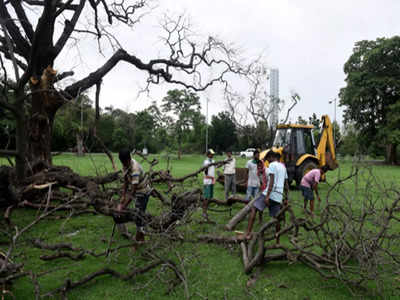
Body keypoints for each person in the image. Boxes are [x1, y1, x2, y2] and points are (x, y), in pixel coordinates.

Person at [244, 151, 289, 243]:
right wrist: (286, 198)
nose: (268, 160)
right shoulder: (283, 167)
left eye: (268, 158)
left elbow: (271, 181)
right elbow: (286, 185)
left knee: (254, 208)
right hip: (279, 196)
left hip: (270, 193)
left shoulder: (272, 165)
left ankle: (248, 233)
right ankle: (277, 241)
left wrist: (267, 196)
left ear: (272, 157)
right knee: (276, 218)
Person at [117, 149, 151, 242]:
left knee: (138, 216)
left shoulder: (135, 169)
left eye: (124, 162)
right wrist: (123, 196)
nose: (123, 164)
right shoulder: (125, 164)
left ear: (129, 159)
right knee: (138, 215)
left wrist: (123, 206)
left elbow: (133, 191)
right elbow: (125, 181)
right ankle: (141, 239)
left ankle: (137, 242)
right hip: (137, 191)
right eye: (122, 162)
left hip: (143, 192)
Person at [202, 149, 215, 219]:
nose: (212, 155)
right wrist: (212, 178)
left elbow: (215, 167)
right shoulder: (206, 162)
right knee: (206, 197)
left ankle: (206, 210)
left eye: (213, 154)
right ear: (208, 154)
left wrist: (224, 163)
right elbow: (205, 174)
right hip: (207, 181)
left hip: (211, 182)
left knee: (209, 197)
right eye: (211, 154)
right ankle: (204, 212)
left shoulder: (213, 161)